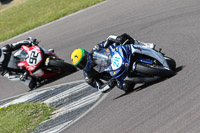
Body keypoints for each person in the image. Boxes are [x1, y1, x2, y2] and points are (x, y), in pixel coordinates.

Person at [71, 33, 155, 93]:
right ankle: (144, 77)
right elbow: (100, 88)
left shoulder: (96, 49)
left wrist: (117, 39)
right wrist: (109, 84)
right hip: (116, 77)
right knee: (126, 87)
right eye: (80, 65)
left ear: (86, 55)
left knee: (125, 38)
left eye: (82, 62)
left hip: (118, 57)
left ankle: (145, 45)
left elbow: (109, 39)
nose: (83, 65)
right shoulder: (88, 76)